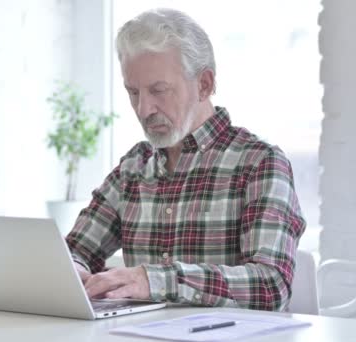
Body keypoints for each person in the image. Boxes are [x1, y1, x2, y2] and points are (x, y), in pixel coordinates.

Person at [66, 8, 306, 311]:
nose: (143, 109)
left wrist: (156, 281)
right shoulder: (132, 169)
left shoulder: (260, 163)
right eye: (133, 92)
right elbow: (75, 250)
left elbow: (271, 285)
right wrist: (70, 269)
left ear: (204, 84)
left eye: (158, 90)